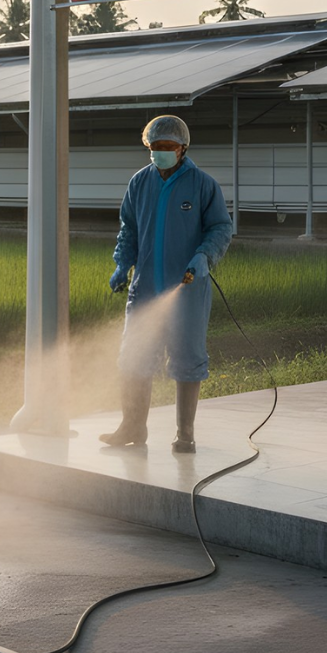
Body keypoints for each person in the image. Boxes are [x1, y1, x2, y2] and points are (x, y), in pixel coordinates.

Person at [102, 114, 234, 453]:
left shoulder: (202, 185)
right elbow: (128, 229)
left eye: (168, 147)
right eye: (155, 147)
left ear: (183, 148)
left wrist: (205, 256)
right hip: (145, 288)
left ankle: (185, 433)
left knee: (188, 358)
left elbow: (220, 227)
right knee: (134, 357)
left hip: (187, 289)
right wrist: (122, 264)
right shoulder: (139, 183)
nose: (161, 152)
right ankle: (132, 427)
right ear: (148, 146)